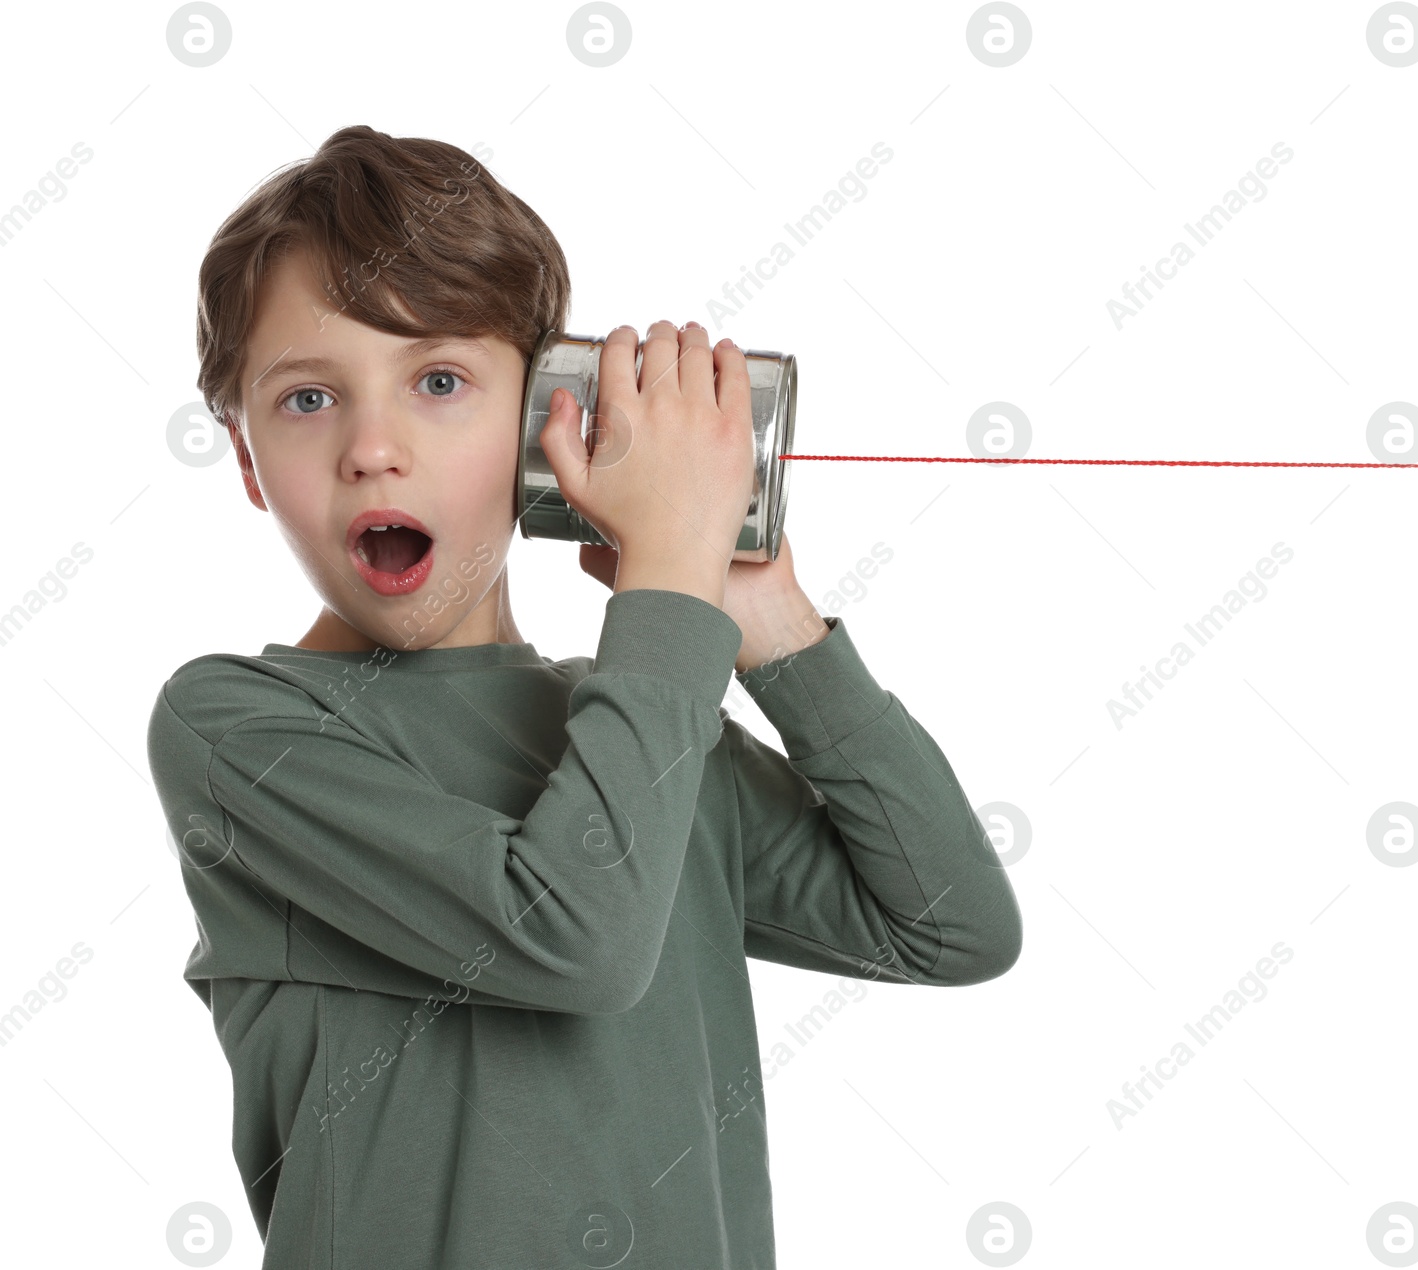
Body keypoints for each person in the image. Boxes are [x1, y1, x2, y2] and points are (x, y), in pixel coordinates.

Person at [146, 123, 1023, 1269]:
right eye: (308, 400)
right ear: (251, 461)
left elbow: (949, 926)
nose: (372, 447)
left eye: (441, 381)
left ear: (541, 431)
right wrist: (665, 591)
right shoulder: (237, 728)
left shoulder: (638, 712)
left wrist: (774, 635)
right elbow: (577, 944)